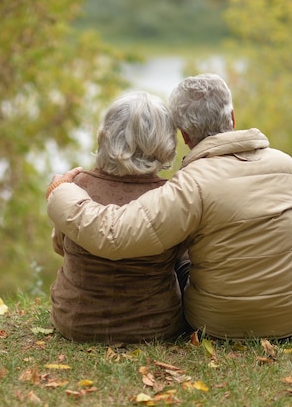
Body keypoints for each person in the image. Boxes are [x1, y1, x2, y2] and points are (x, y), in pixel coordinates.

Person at [47, 74, 292, 340]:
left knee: (184, 244)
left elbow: (112, 235)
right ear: (232, 117)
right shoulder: (286, 165)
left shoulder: (189, 185)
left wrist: (61, 193)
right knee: (185, 249)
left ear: (183, 135)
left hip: (218, 323)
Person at [47, 91, 188, 344]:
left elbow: (60, 246)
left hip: (76, 323)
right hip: (155, 327)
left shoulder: (76, 187)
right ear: (165, 141)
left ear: (106, 135)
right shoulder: (171, 196)